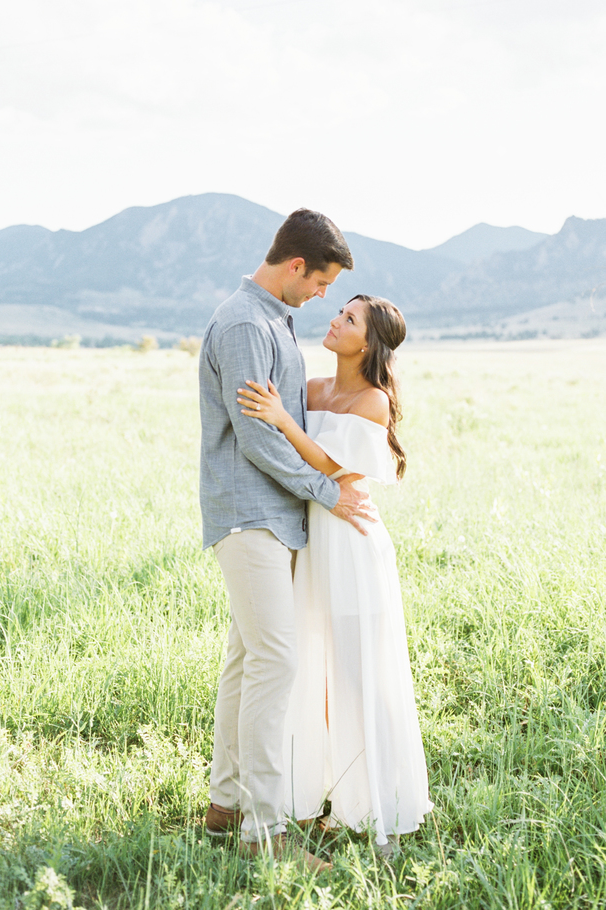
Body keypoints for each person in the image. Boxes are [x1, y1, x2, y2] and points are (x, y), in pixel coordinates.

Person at [199, 209, 373, 872]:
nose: (323, 295)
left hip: (270, 517)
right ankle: (265, 835)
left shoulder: (274, 319)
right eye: (323, 282)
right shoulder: (246, 323)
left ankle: (225, 807)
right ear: (296, 265)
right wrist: (329, 492)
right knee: (277, 663)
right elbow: (256, 437)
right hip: (250, 515)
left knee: (249, 661)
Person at [236, 294, 433, 853]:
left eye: (349, 319)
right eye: (339, 312)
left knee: (357, 672)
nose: (336, 320)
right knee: (307, 670)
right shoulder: (312, 388)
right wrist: (278, 412)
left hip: (349, 542)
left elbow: (326, 464)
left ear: (367, 342)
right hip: (308, 541)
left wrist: (280, 418)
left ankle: (377, 808)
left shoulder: (372, 400)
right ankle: (315, 795)